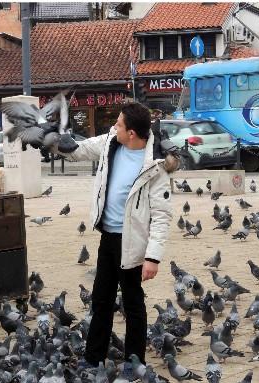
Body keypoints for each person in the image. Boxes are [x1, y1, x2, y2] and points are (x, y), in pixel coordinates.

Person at [54, 102, 175, 367]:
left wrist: (153, 258)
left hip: (132, 242)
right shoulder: (112, 142)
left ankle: (135, 363)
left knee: (132, 304)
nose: (114, 127)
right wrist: (60, 144)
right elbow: (81, 149)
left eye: (119, 124)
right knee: (101, 300)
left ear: (131, 133)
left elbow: (162, 217)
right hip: (107, 236)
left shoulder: (155, 166)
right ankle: (93, 358)